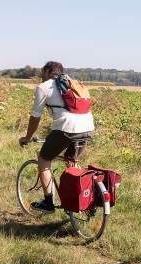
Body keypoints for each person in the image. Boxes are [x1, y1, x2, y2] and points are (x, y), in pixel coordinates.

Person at [18, 61, 96, 212]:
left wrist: (28, 137)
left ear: (47, 72)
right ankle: (83, 199)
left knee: (44, 159)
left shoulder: (43, 87)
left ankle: (48, 203)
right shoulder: (73, 84)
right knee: (72, 161)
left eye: (42, 73)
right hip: (88, 128)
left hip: (66, 128)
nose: (41, 76)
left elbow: (35, 116)